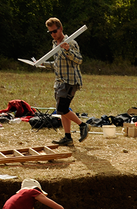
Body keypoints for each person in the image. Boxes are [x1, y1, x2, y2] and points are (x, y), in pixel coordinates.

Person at [45, 17, 89, 146]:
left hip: (70, 81)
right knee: (63, 110)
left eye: (54, 31)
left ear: (61, 29)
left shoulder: (71, 43)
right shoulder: (54, 45)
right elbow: (57, 64)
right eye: (50, 32)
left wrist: (67, 50)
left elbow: (79, 60)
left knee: (62, 108)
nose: (53, 34)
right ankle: (67, 137)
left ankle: (83, 125)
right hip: (59, 82)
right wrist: (43, 64)